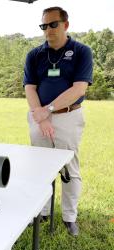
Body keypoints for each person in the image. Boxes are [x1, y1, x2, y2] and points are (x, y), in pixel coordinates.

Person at [23, 7, 93, 236]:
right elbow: (30, 87)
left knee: (69, 169)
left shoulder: (82, 51)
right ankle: (43, 211)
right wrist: (41, 115)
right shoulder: (34, 55)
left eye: (53, 24)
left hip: (68, 116)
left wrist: (49, 109)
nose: (48, 30)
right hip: (38, 117)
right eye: (44, 26)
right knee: (41, 168)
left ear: (66, 25)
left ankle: (69, 216)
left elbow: (79, 88)